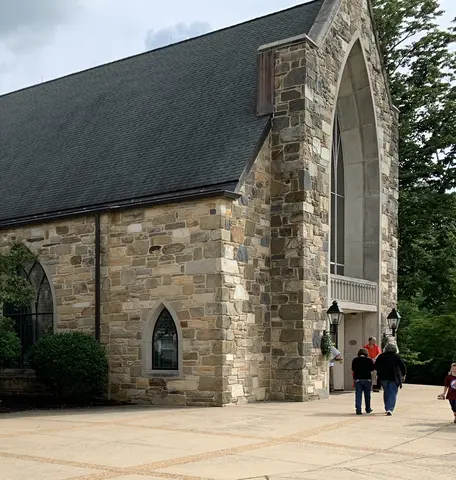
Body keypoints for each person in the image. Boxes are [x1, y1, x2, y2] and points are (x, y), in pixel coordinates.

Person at [374, 342, 406, 416]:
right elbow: (402, 366)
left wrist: (380, 371)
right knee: (392, 393)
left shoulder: (381, 356)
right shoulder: (396, 356)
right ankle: (389, 408)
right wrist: (404, 374)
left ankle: (387, 407)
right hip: (394, 377)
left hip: (383, 377)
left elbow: (376, 366)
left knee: (386, 392)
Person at [352, 348, 374, 415]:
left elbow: (353, 369)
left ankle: (358, 410)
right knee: (367, 395)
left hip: (358, 379)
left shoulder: (355, 360)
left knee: (358, 395)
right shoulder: (369, 360)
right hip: (367, 379)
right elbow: (372, 369)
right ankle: (368, 408)